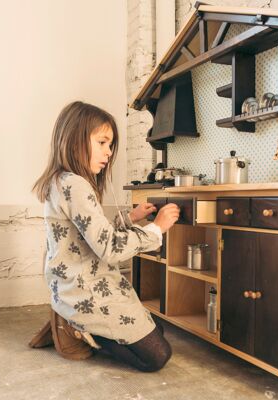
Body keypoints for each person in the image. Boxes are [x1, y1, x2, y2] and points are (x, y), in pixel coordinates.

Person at [29, 101, 180, 372]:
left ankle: (69, 317)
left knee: (157, 327)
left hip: (69, 283)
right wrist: (155, 228)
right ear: (75, 140)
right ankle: (75, 328)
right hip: (85, 287)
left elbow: (87, 235)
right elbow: (110, 249)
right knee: (158, 356)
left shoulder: (61, 180)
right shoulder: (76, 184)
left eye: (110, 145)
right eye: (102, 142)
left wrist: (130, 218)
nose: (108, 153)